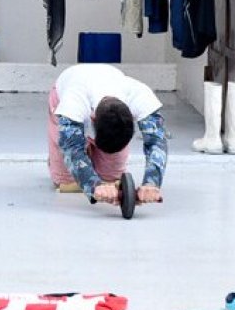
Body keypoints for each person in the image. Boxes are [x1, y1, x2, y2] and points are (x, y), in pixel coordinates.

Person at [47, 63, 168, 206]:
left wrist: (152, 183)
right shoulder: (73, 100)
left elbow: (157, 141)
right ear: (93, 119)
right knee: (67, 183)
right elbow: (71, 147)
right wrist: (93, 185)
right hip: (67, 93)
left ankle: (100, 162)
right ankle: (59, 160)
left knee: (110, 179)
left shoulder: (140, 96)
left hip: (102, 94)